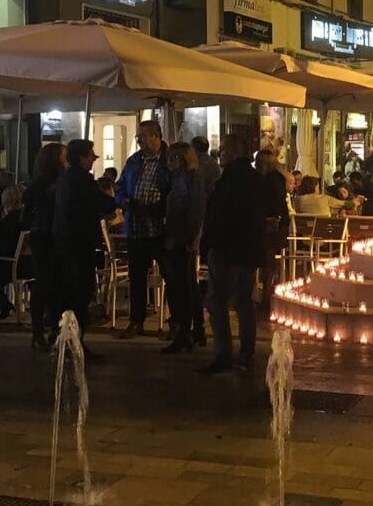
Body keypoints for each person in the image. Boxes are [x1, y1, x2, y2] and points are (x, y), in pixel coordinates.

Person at [198, 133, 265, 375]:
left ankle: (223, 353)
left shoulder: (231, 179)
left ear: (235, 152)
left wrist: (210, 241)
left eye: (224, 148)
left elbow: (221, 214)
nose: (220, 152)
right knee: (243, 301)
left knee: (217, 300)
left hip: (227, 248)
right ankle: (246, 353)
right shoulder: (254, 179)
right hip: (247, 249)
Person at [53, 139, 116, 355]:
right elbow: (102, 203)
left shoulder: (64, 178)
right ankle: (75, 343)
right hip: (79, 241)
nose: (93, 160)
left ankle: (62, 338)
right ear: (81, 158)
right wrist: (112, 198)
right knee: (80, 292)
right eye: (91, 156)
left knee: (69, 291)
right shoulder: (82, 180)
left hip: (65, 240)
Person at [113, 120, 171, 338]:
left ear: (157, 136)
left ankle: (176, 322)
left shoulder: (168, 160)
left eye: (144, 136)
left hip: (160, 229)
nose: (140, 141)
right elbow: (120, 186)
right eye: (138, 137)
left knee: (171, 276)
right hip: (136, 229)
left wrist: (160, 208)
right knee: (137, 278)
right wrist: (123, 201)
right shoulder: (134, 161)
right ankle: (136, 321)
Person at [161, 141, 208, 353]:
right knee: (189, 285)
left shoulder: (186, 179)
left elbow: (191, 211)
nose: (170, 162)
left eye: (175, 158)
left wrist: (183, 238)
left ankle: (185, 332)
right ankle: (197, 330)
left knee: (182, 287)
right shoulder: (184, 178)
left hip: (181, 239)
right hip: (183, 238)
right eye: (169, 157)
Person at [22, 143, 66, 351]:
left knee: (51, 282)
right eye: (63, 155)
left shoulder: (42, 180)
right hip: (47, 234)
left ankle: (45, 329)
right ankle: (43, 329)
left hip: (44, 233)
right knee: (48, 282)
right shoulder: (49, 181)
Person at [256, 148, 290, 319]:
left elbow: (271, 204)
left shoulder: (268, 181)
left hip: (269, 226)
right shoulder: (277, 179)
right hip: (275, 226)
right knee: (268, 263)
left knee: (266, 262)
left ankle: (265, 297)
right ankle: (266, 296)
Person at [0, 185, 27, 320]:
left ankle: (1, 303)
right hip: (29, 264)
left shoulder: (11, 218)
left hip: (10, 266)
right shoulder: (28, 217)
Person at [295, 176, 359, 216]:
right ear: (314, 187)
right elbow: (345, 204)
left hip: (304, 230)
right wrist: (355, 202)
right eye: (318, 187)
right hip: (323, 229)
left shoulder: (298, 200)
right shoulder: (324, 198)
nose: (319, 190)